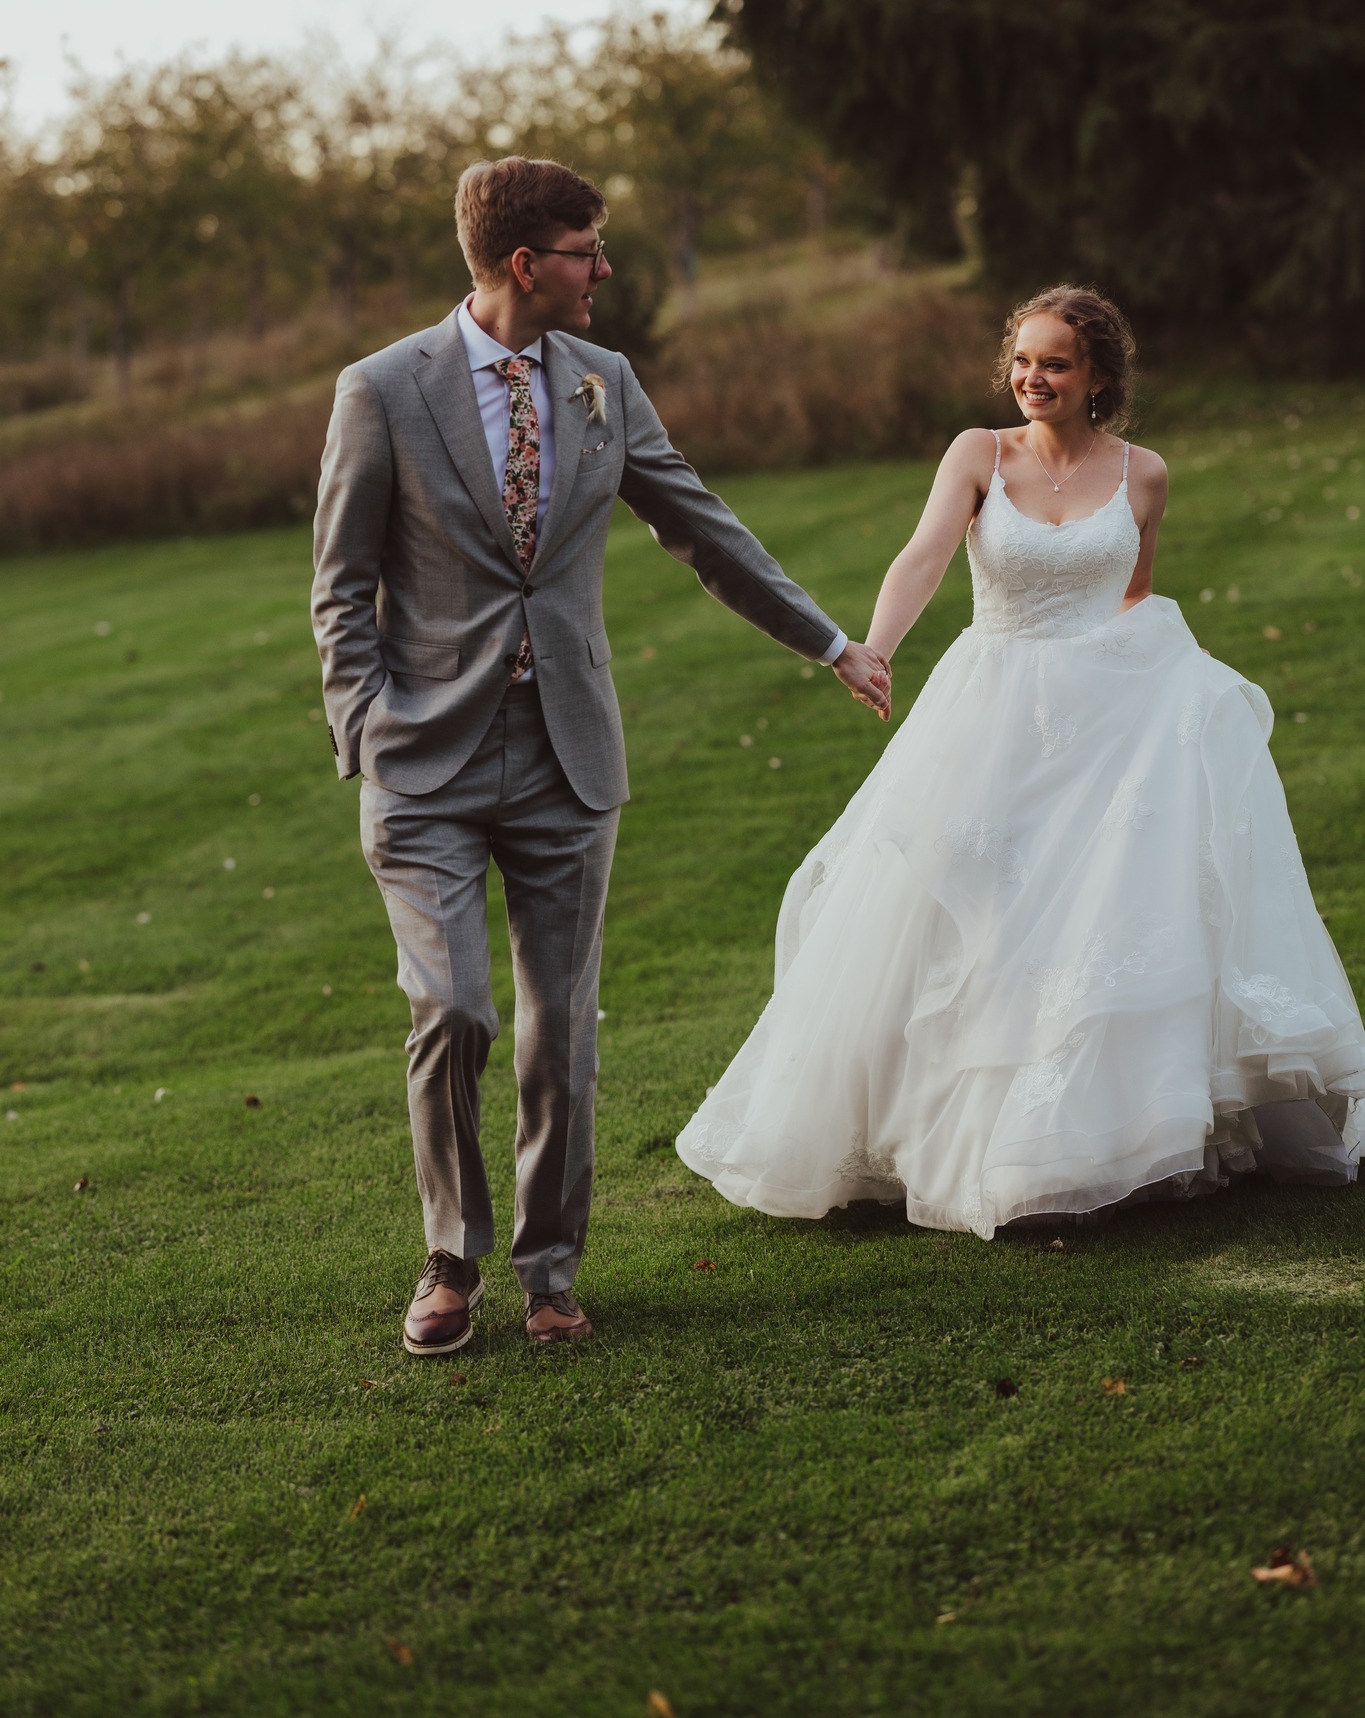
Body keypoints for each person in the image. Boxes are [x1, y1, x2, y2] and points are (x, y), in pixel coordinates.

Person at [311, 156, 889, 1353]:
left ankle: (551, 1269)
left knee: (559, 1028)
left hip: (568, 755)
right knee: (453, 1008)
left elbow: (699, 521)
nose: (605, 269)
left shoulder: (603, 381)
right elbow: (340, 588)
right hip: (422, 762)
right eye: (588, 247)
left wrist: (829, 638)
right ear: (527, 263)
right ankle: (449, 1256)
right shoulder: (381, 390)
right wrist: (366, 729)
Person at [676, 285, 1365, 1234]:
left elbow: (1134, 593)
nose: (1031, 378)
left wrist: (1146, 701)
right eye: (1022, 361)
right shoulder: (977, 452)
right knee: (978, 908)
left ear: (1096, 379)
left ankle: (1084, 1138)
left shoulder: (1144, 474)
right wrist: (873, 648)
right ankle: (961, 1133)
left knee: (1097, 917)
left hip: (1113, 718)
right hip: (991, 702)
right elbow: (922, 555)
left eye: (1055, 364)